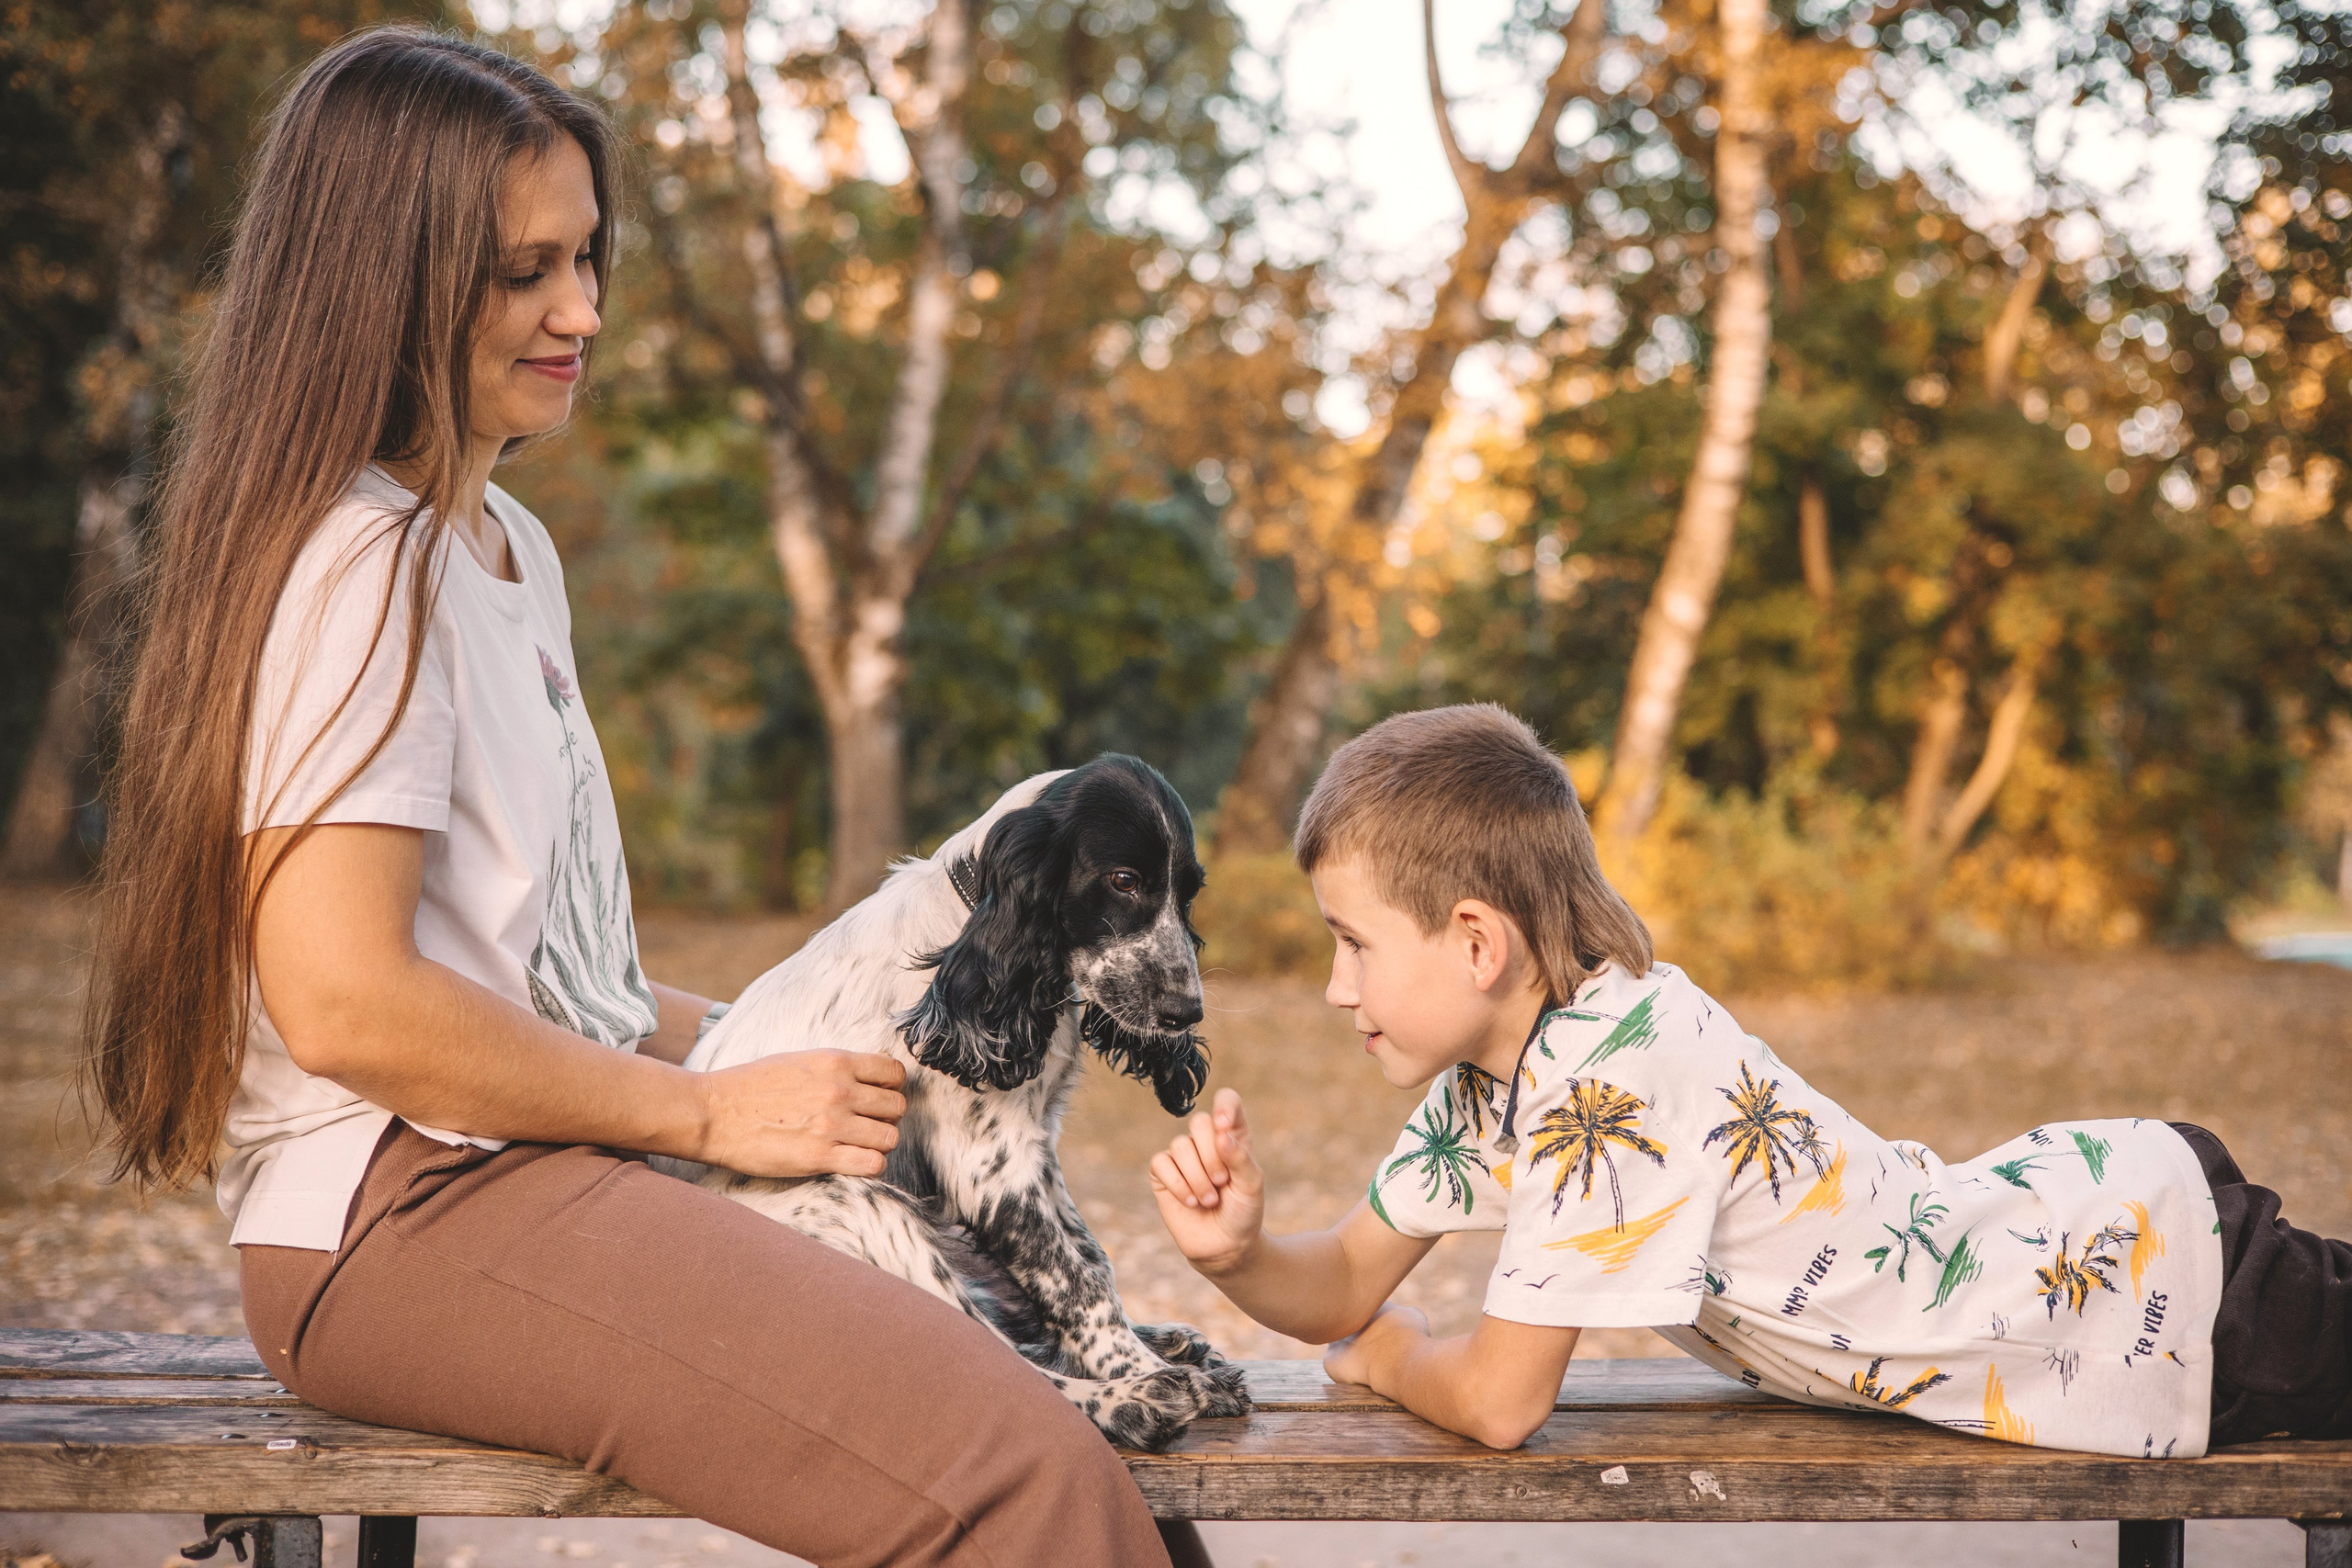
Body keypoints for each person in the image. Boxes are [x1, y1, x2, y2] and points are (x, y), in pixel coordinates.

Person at [86, 27, 1189, 1566]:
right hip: (399, 1218)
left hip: (516, 1168)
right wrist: (709, 1108)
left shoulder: (504, 549)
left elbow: (546, 983)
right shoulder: (358, 563)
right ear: (383, 279)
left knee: (1063, 1409)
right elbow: (350, 1005)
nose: (584, 311)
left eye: (590, 259)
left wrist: (786, 1039)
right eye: (525, 271)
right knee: (1018, 1470)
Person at [1148, 703, 2351, 1458]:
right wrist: (1238, 1254)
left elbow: (1502, 1403)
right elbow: (1348, 1271)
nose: (1333, 987)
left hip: (2165, 1296)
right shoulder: (1496, 1076)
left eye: (1352, 943)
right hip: (2119, 1253)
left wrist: (1400, 1355)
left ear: (1477, 942)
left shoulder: (1602, 1086)